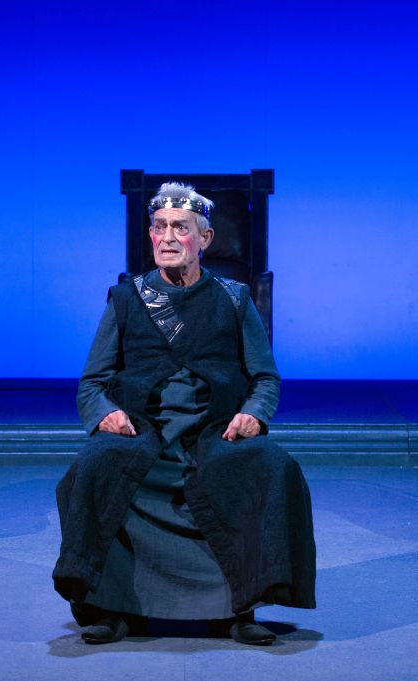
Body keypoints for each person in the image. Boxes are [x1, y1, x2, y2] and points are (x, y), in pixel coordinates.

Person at [53, 182, 316, 645]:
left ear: (205, 238)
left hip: (214, 432)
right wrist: (105, 414)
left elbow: (265, 379)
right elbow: (92, 383)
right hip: (143, 431)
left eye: (181, 228)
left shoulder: (234, 299)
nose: (168, 237)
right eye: (159, 227)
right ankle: (112, 606)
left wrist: (254, 414)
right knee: (95, 463)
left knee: (273, 465)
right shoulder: (127, 299)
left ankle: (241, 607)